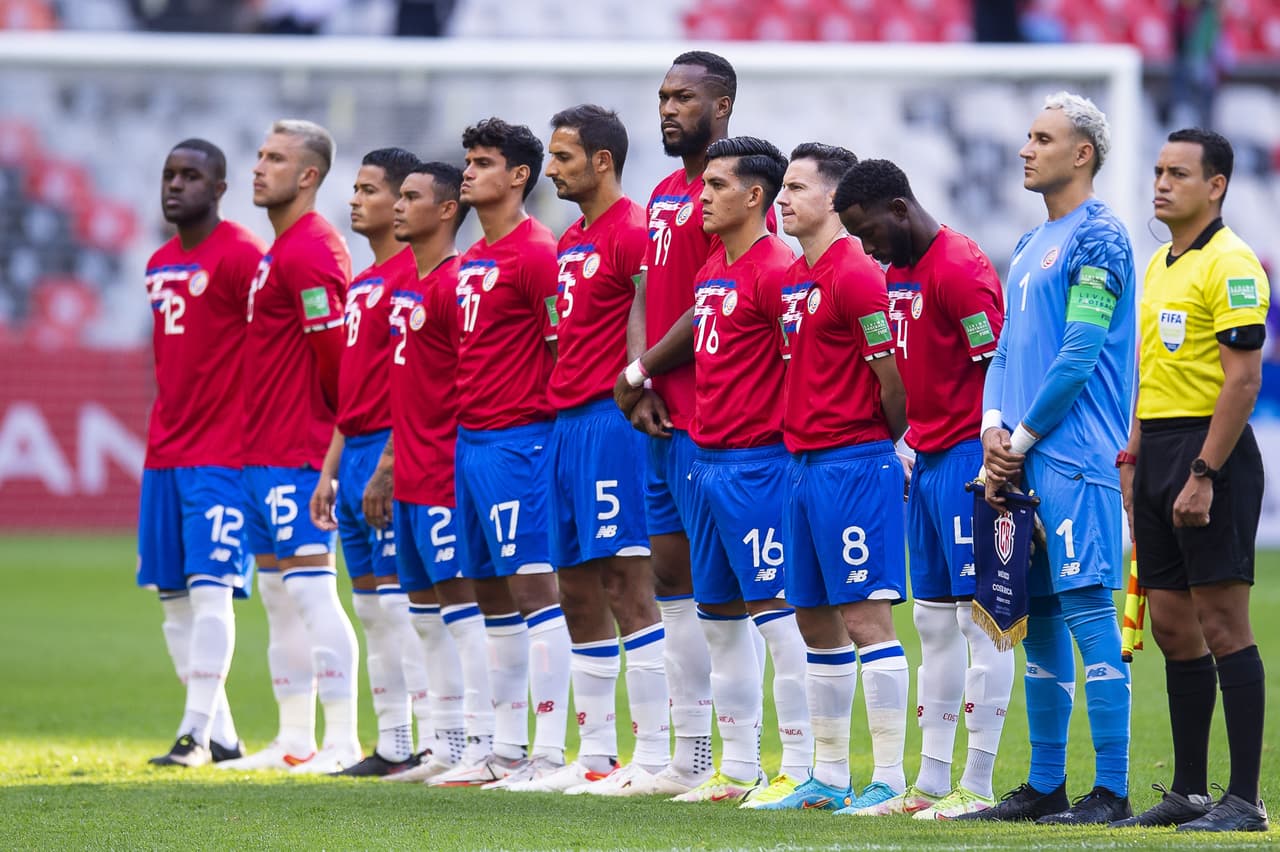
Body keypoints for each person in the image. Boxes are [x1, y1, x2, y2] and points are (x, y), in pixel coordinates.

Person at [962, 92, 1136, 824]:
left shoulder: (1101, 237)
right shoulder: (1032, 242)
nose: (1025, 149)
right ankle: (1044, 785)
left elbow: (1079, 354)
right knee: (1035, 619)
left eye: (1042, 138)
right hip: (1021, 456)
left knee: (1089, 611)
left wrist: (1019, 441)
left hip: (1075, 458)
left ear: (1082, 153)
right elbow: (1005, 350)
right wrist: (991, 428)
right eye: (1028, 136)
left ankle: (1113, 791)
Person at [836, 158, 1013, 819]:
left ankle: (978, 784)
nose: (866, 247)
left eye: (868, 231)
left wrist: (1000, 465)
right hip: (929, 460)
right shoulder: (898, 272)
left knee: (982, 624)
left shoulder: (960, 269)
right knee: (933, 624)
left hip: (971, 458)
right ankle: (932, 782)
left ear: (899, 209)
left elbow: (999, 370)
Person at [500, 105, 669, 793]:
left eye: (563, 156)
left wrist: (637, 386)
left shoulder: (633, 230)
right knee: (573, 586)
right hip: (564, 426)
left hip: (610, 422)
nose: (551, 169)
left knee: (626, 582)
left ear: (602, 161)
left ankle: (654, 753)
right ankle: (595, 753)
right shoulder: (570, 240)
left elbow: (648, 311)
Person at [1115, 128, 1270, 832]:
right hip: (1157, 450)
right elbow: (1150, 370)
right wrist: (1134, 456)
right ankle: (1189, 791)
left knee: (1223, 623)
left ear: (1216, 186)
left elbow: (1243, 381)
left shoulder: (1233, 263)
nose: (1161, 183)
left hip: (1211, 453)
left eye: (1178, 173)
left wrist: (1204, 471)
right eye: (1158, 171)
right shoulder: (1159, 264)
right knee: (1175, 628)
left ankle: (1245, 799)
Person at [753, 143, 911, 815]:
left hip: (852, 464)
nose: (782, 199)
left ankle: (890, 779)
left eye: (796, 188)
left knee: (865, 617)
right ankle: (828, 776)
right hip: (802, 467)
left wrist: (878, 446)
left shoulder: (856, 274)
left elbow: (892, 382)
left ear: (834, 199)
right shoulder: (795, 276)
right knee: (814, 620)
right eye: (782, 188)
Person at [654, 136, 810, 807]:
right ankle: (739, 766)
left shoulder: (779, 269)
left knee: (777, 616)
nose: (703, 196)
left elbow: (804, 367)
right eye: (703, 184)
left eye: (716, 186)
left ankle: (800, 765)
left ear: (754, 196)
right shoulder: (713, 265)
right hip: (706, 461)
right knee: (717, 618)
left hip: (759, 465)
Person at [609, 50, 737, 797]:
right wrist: (641, 378)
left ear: (721, 107)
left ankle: (746, 757)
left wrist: (640, 372)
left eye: (683, 97)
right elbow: (644, 292)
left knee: (727, 591)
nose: (667, 108)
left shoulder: (731, 191)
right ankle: (685, 757)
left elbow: (710, 300)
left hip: (709, 418)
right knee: (670, 583)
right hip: (659, 415)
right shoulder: (661, 193)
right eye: (662, 96)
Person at [428, 118, 571, 788]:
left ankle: (551, 749)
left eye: (483, 162)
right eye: (467, 161)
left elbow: (560, 350)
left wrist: (546, 440)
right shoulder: (469, 261)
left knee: (534, 589)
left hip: (520, 443)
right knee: (490, 594)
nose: (468, 172)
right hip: (471, 443)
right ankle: (505, 748)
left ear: (518, 176)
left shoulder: (537, 253)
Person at [218, 119, 361, 774]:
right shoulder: (280, 249)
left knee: (310, 593)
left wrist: (330, 448)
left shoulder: (310, 252)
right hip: (262, 451)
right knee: (279, 598)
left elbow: (336, 363)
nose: (258, 167)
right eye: (258, 155)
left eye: (274, 158)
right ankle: (295, 739)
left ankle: (343, 740)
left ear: (308, 176)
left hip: (298, 451)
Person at [308, 148, 434, 777]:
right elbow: (349, 392)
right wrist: (329, 470)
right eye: (354, 189)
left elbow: (415, 385)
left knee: (403, 606)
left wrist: (389, 459)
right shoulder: (362, 283)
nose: (355, 200)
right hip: (353, 450)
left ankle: (432, 741)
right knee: (370, 608)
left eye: (370, 190)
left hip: (392, 448)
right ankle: (390, 743)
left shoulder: (416, 276)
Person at [139, 139, 265, 767]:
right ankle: (222, 737)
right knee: (173, 600)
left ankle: (192, 733)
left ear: (219, 189)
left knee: (211, 589)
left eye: (190, 176)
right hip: (164, 452)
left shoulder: (243, 255)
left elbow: (274, 346)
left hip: (224, 454)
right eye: (169, 174)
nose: (175, 185)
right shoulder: (158, 262)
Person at [368, 161, 491, 784]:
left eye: (411, 197)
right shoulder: (408, 289)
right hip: (410, 471)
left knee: (463, 611)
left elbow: (469, 384)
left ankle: (485, 742)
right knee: (424, 612)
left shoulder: (454, 284)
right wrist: (390, 462)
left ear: (446, 210)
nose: (397, 205)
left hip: (445, 472)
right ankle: (445, 743)